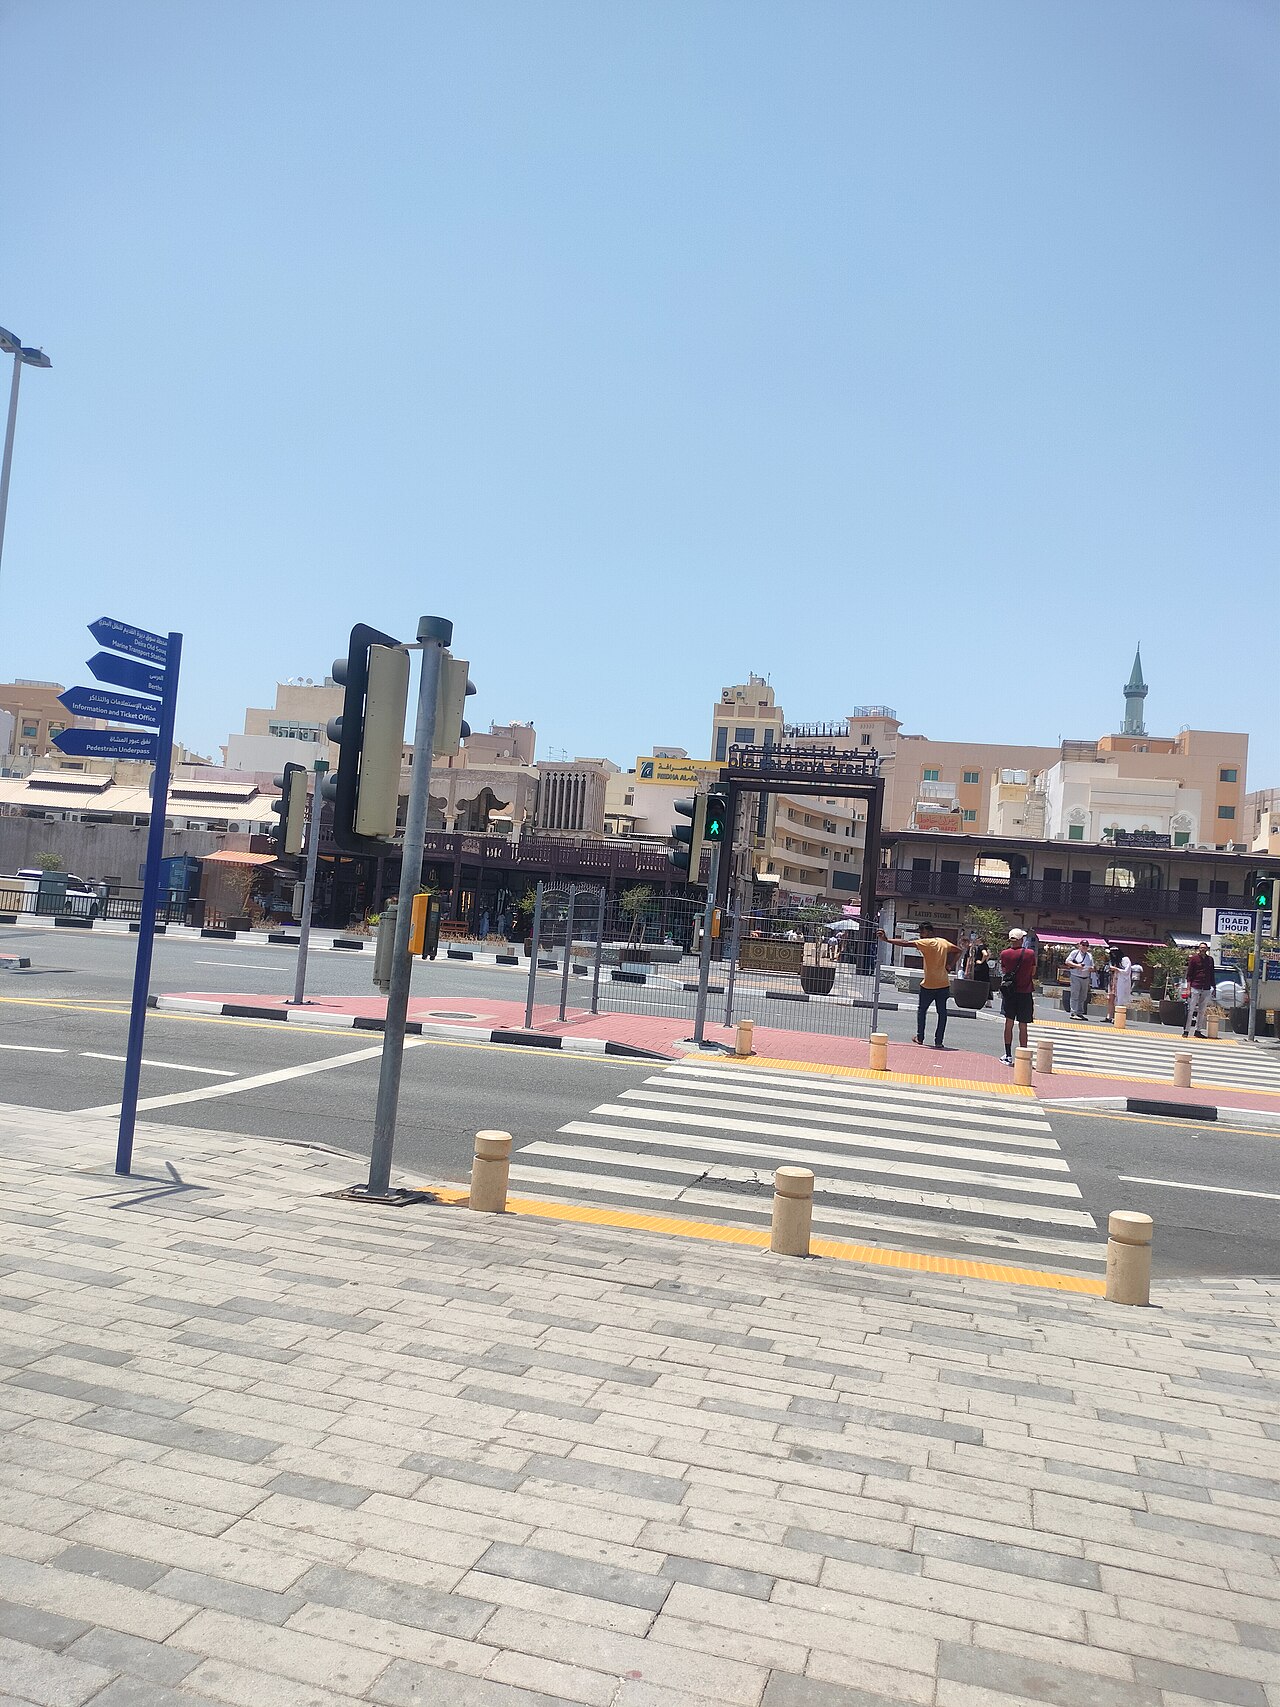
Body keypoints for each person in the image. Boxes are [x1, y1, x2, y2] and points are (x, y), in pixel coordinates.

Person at [880, 922, 958, 1048]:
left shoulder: (926, 943)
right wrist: (950, 965)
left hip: (928, 985)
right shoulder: (943, 942)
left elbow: (905, 943)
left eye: (922, 932)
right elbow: (958, 950)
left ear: (930, 933)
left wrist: (887, 939)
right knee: (942, 1013)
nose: (921, 935)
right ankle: (939, 1041)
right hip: (943, 984)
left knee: (922, 1011)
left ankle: (920, 1037)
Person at [999, 927, 1036, 1065]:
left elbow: (1004, 970)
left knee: (1008, 1024)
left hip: (1010, 993)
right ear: (1021, 940)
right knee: (1023, 1025)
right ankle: (1023, 1056)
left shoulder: (1005, 954)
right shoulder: (1030, 954)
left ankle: (1008, 1055)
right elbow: (1033, 972)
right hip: (1025, 992)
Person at [1185, 942, 1216, 1039]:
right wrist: (1188, 988)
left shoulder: (1210, 960)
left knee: (1202, 1011)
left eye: (1204, 948)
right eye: (1201, 948)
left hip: (1206, 987)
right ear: (1199, 949)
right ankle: (1186, 1030)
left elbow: (1212, 974)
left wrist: (1214, 987)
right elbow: (1189, 974)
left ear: (1207, 949)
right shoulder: (1194, 959)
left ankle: (1198, 1030)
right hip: (1195, 986)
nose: (1203, 949)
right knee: (1191, 1010)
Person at [1065, 939, 1094, 1021]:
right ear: (1079, 945)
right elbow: (1067, 962)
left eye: (1086, 945)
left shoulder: (1089, 955)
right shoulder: (1075, 953)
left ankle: (1080, 1012)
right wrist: (1077, 966)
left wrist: (1091, 969)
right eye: (1083, 945)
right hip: (1075, 976)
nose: (1085, 947)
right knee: (1075, 994)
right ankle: (1073, 1012)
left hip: (1085, 977)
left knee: (1083, 996)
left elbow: (1092, 966)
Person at [1106, 947, 1133, 1023]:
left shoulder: (1125, 959)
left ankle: (1117, 1017)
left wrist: (1116, 969)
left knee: (1119, 999)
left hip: (1121, 982)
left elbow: (1126, 971)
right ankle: (1109, 1016)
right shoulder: (1113, 960)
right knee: (1110, 999)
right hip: (1113, 980)